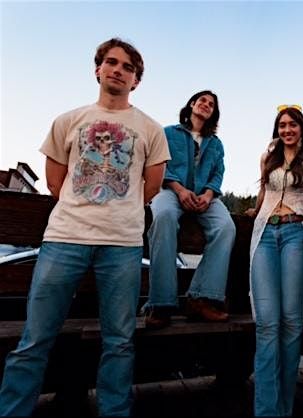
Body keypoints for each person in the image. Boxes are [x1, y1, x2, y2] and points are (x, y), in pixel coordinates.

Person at [0, 38, 170, 416]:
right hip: (65, 238)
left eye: (128, 67)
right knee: (34, 339)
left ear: (136, 80)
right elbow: (55, 182)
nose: (118, 70)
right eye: (112, 62)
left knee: (119, 342)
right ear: (98, 70)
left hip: (122, 244)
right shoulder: (68, 121)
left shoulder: (151, 130)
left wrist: (117, 207)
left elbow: (152, 186)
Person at [245, 105, 303, 416]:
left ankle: (284, 408)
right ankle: (266, 411)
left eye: (292, 125)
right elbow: (263, 193)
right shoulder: (267, 157)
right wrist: (254, 210)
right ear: (277, 130)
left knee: (291, 321)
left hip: (296, 233)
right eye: (282, 125)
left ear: (301, 129)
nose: (287, 130)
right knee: (266, 323)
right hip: (265, 235)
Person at [144, 90, 236, 329]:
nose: (206, 105)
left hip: (204, 196)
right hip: (170, 190)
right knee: (164, 217)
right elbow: (159, 164)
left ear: (214, 113)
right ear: (192, 105)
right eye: (202, 100)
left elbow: (218, 173)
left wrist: (208, 194)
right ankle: (161, 303)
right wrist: (179, 190)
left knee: (226, 227)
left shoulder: (216, 144)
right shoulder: (168, 133)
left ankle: (202, 298)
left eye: (211, 104)